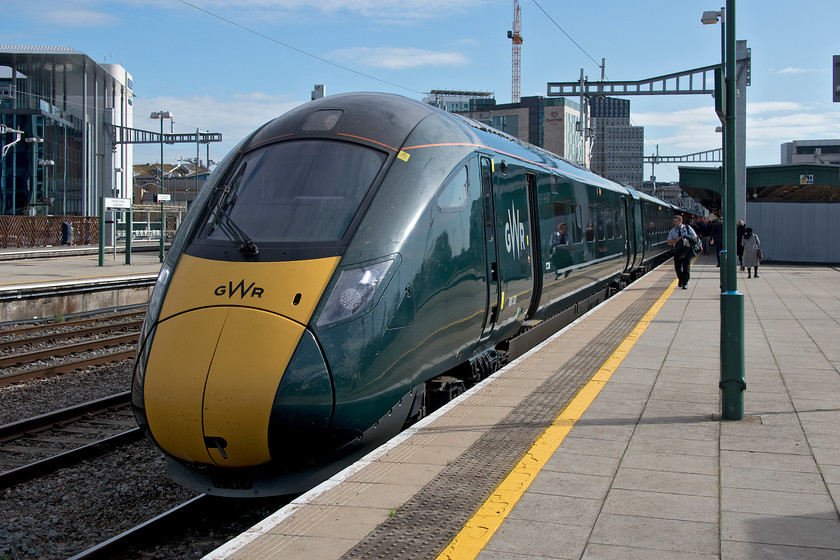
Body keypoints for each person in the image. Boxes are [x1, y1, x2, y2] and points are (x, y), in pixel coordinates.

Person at [667, 215, 699, 290]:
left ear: (680, 221)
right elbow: (668, 242)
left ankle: (685, 283)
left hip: (687, 251)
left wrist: (685, 237)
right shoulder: (672, 231)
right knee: (677, 268)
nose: (674, 223)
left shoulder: (687, 228)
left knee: (686, 268)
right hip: (678, 251)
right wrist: (676, 240)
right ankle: (681, 279)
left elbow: (695, 236)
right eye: (674, 221)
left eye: (676, 221)